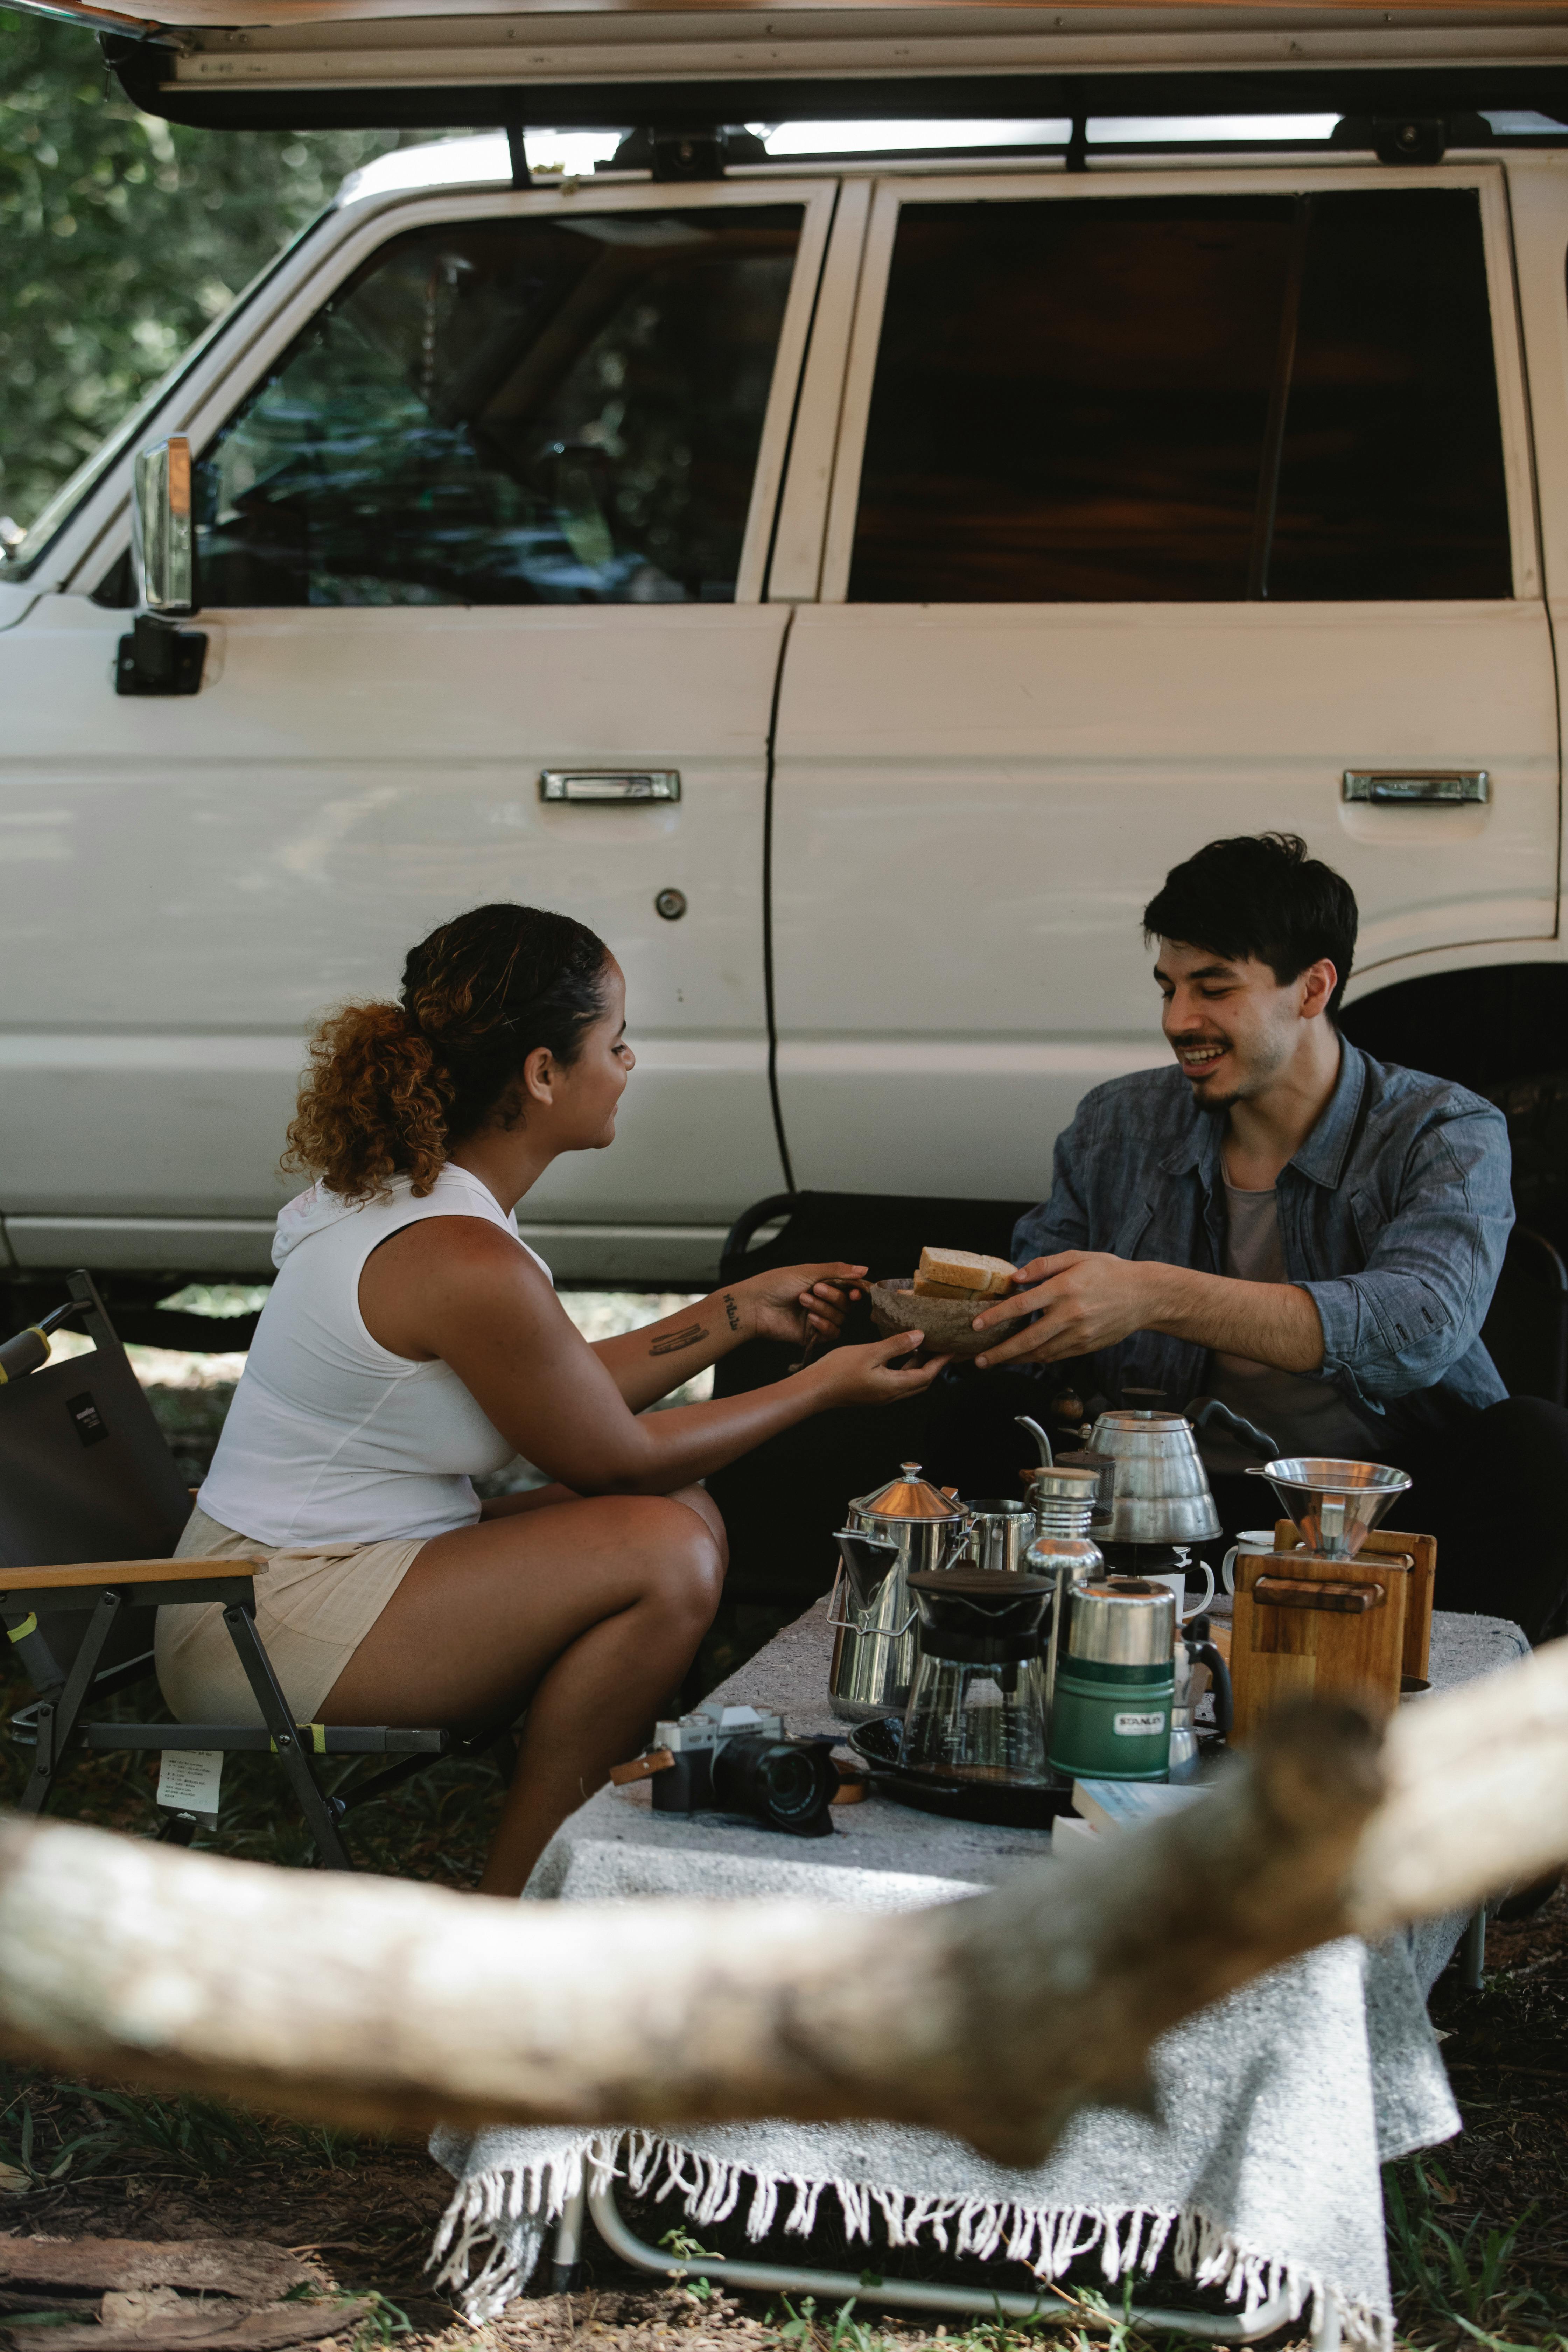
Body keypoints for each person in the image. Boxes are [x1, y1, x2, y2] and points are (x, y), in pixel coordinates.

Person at [156, 902, 943, 1896]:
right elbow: (612, 1456)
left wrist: (739, 1311)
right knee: (660, 1547)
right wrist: (820, 1389)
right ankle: (524, 1911)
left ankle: (554, 1870)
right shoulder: (461, 1253)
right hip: (265, 1624)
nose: (627, 1063)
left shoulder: (430, 1201)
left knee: (675, 1519)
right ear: (541, 1072)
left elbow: (561, 1392)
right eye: (615, 1043)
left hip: (310, 1580)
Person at [937, 831, 1568, 1641]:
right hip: (1164, 1504)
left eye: (1212, 988)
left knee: (1540, 1450)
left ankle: (1433, 1712)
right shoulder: (1117, 1120)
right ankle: (979, 1690)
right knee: (976, 1414)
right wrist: (938, 1320)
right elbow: (1029, 1300)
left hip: (1383, 1506)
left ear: (1311, 988)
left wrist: (1150, 1295)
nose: (1177, 1020)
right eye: (1166, 987)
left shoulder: (1441, 1130)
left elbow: (1418, 1327)